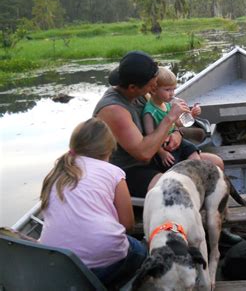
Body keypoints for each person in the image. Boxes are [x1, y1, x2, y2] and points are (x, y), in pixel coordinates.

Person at [93, 50, 223, 198]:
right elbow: (144, 154)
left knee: (215, 165)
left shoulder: (141, 93)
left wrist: (177, 133)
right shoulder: (114, 110)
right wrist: (170, 118)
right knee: (177, 188)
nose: (154, 89)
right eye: (151, 86)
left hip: (157, 156)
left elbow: (164, 124)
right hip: (129, 170)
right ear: (132, 87)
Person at [39, 118, 146, 287]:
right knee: (140, 250)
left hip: (56, 263)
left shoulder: (55, 173)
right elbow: (128, 224)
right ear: (108, 151)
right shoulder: (114, 172)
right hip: (102, 262)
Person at [142, 66, 202, 169]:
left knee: (193, 152)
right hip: (164, 148)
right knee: (174, 165)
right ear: (153, 90)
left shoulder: (168, 105)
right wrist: (162, 153)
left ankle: (198, 173)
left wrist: (191, 115)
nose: (172, 94)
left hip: (177, 142)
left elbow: (177, 123)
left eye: (173, 89)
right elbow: (150, 138)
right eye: (167, 89)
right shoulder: (149, 112)